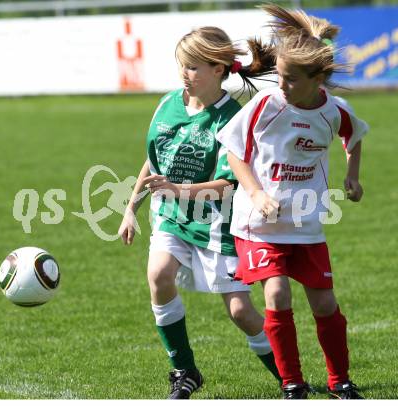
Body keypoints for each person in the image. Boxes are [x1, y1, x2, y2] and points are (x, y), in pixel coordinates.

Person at [118, 26, 281, 399]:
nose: (184, 75)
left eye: (193, 68)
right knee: (158, 275)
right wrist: (130, 208)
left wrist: (177, 188)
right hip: (173, 214)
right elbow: (154, 159)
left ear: (219, 69)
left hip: (218, 223)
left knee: (241, 311)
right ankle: (184, 370)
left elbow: (228, 185)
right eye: (182, 66)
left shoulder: (231, 118)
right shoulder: (168, 103)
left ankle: (290, 376)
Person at [216, 4, 368, 400]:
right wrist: (256, 193)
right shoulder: (267, 106)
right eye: (279, 77)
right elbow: (235, 150)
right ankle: (293, 383)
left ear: (318, 79)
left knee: (325, 303)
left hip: (306, 225)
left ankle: (341, 382)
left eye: (290, 79)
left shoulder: (334, 111)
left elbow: (353, 138)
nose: (280, 85)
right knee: (277, 293)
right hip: (258, 223)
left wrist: (353, 176)